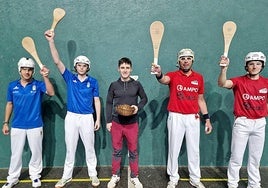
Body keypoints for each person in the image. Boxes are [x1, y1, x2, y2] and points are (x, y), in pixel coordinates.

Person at [44, 30, 101, 187]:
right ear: (75, 66)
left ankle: (93, 174)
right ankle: (66, 176)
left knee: (90, 147)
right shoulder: (70, 77)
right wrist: (51, 41)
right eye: (79, 65)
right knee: (70, 148)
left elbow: (97, 101)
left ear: (87, 67)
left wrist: (97, 119)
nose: (81, 67)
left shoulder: (94, 82)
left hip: (87, 117)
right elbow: (57, 62)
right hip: (71, 117)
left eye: (84, 65)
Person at [151, 48, 212, 188]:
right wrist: (158, 73)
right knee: (174, 148)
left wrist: (207, 119)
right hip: (176, 116)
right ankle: (173, 177)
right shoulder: (173, 75)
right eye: (183, 58)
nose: (186, 61)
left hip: (193, 118)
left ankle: (195, 178)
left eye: (189, 58)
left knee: (194, 149)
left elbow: (200, 100)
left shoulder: (199, 77)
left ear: (192, 60)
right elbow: (163, 80)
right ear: (178, 61)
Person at [2, 57, 55, 188]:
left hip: (35, 125)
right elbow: (9, 104)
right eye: (24, 69)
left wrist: (46, 77)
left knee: (36, 152)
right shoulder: (12, 86)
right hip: (17, 125)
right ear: (19, 70)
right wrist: (5, 122)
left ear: (33, 71)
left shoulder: (38, 85)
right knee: (16, 153)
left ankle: (35, 176)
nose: (27, 72)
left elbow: (51, 92)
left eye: (30, 69)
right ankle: (13, 178)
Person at [218, 52, 268, 188]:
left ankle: (254, 184)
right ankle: (233, 184)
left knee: (255, 158)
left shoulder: (266, 83)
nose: (255, 66)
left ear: (262, 66)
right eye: (251, 64)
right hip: (242, 123)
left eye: (258, 64)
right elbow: (222, 83)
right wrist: (224, 69)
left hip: (259, 123)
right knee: (236, 157)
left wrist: (262, 113)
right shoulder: (239, 81)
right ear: (247, 66)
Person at [106, 57, 148, 188]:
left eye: (127, 68)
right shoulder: (113, 85)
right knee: (117, 151)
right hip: (117, 123)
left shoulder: (137, 84)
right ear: (118, 69)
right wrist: (108, 121)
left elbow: (144, 98)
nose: (125, 70)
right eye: (122, 68)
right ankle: (115, 175)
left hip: (132, 123)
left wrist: (138, 107)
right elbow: (108, 103)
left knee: (133, 151)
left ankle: (135, 176)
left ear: (131, 69)